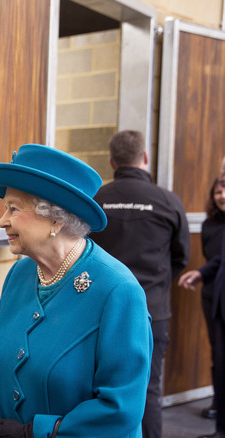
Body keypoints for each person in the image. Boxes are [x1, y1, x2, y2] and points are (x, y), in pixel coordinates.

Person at [0, 144, 152, 438]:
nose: (2, 221)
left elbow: (121, 408)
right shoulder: (20, 274)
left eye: (13, 209)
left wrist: (39, 431)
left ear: (55, 218)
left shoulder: (118, 291)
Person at [88, 130, 190, 438]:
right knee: (147, 391)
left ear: (111, 162)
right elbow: (181, 256)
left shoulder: (96, 200)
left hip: (99, 311)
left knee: (98, 390)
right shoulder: (168, 201)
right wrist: (157, 287)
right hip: (151, 310)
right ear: (145, 158)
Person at [180, 157, 225, 438]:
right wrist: (202, 274)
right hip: (216, 296)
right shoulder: (210, 225)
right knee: (219, 358)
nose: (222, 194)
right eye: (219, 188)